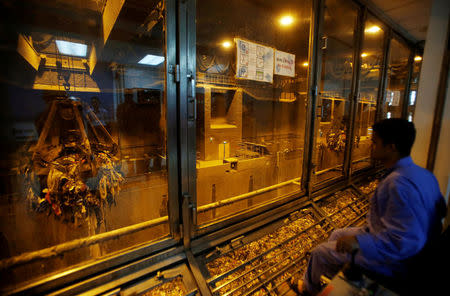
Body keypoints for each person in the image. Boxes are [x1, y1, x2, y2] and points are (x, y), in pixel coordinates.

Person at [291, 118, 446, 295]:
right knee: (337, 234)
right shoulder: (422, 174)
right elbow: (438, 213)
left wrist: (359, 242)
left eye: (375, 142)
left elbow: (402, 242)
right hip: (399, 241)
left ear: (391, 147)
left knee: (319, 253)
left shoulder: (398, 184)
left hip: (396, 262)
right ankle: (329, 277)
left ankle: (308, 289)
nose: (371, 146)